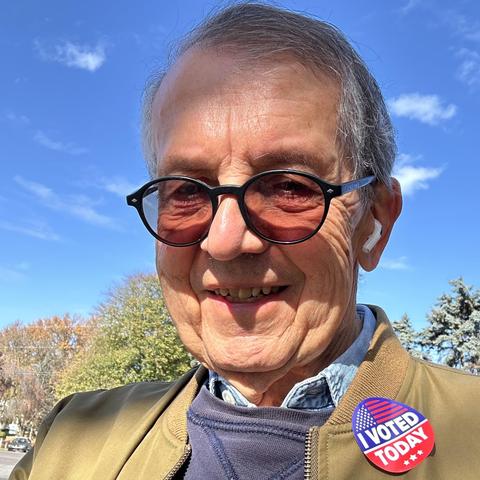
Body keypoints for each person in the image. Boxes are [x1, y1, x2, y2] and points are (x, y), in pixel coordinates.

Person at [11, 3, 480, 480]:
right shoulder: (69, 441)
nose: (226, 241)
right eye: (186, 192)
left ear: (374, 222)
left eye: (289, 187)